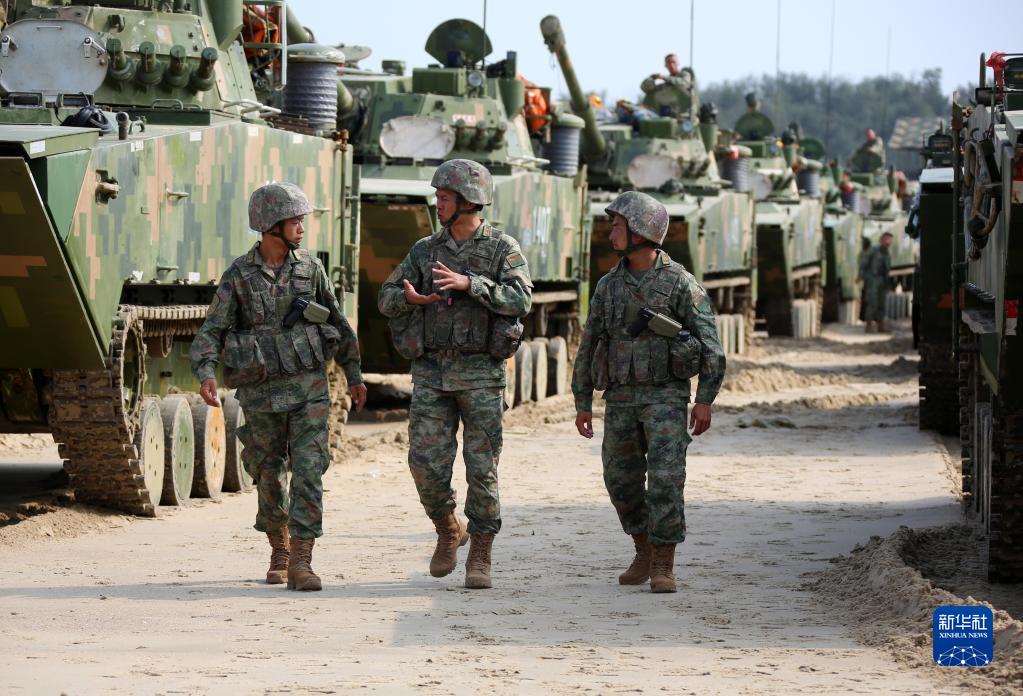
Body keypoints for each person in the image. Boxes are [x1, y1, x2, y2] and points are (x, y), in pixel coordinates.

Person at [189, 182, 367, 592]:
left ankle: (302, 560)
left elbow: (337, 324)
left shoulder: (311, 269)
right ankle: (279, 548)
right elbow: (213, 329)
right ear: (271, 225)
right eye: (294, 221)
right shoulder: (239, 275)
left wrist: (354, 374)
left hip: (309, 390)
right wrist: (206, 372)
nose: (302, 228)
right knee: (268, 474)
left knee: (309, 470)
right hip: (262, 393)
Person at [377, 159, 532, 590]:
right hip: (431, 374)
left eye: (444, 197)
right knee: (424, 465)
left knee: (482, 469)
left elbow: (521, 299)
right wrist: (409, 299)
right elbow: (386, 297)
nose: (437, 204)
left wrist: (471, 285)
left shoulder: (501, 249)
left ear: (468, 201)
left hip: (482, 374)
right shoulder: (424, 250)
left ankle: (480, 551)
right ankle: (448, 529)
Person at [572, 191, 725, 594]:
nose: (611, 233)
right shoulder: (608, 285)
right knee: (619, 480)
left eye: (617, 226)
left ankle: (662, 563)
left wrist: (704, 399)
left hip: (666, 398)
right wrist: (582, 402)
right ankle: (642, 547)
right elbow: (589, 343)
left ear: (640, 232)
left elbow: (711, 346)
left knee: (665, 480)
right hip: (621, 398)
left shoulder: (679, 283)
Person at [640, 53, 698, 119]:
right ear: (665, 65)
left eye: (674, 62)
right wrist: (652, 78)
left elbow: (683, 84)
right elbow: (644, 88)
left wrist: (665, 77)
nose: (671, 65)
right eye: (669, 63)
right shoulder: (666, 85)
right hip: (668, 115)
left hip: (686, 115)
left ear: (678, 63)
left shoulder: (685, 75)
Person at [857, 231, 893, 333]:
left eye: (890, 240)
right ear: (881, 240)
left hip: (882, 280)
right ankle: (868, 325)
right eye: (886, 239)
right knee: (872, 302)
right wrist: (861, 275)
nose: (888, 242)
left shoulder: (887, 253)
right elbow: (863, 263)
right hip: (873, 280)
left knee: (881, 304)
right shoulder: (873, 250)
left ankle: (880, 326)